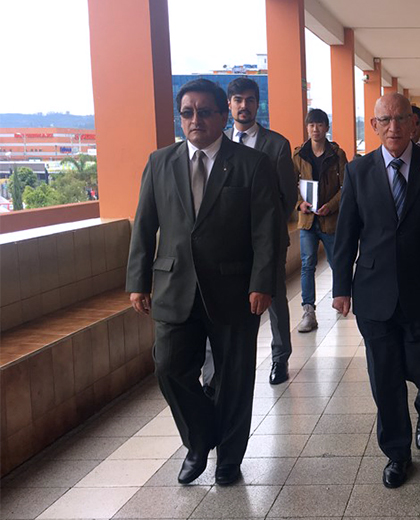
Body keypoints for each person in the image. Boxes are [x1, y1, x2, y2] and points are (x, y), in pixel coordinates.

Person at [126, 79, 278, 487]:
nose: (196, 120)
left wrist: (262, 282)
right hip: (175, 288)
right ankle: (199, 440)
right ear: (181, 117)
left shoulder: (250, 164)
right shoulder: (160, 162)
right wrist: (137, 281)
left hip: (235, 290)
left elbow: (268, 230)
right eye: (188, 112)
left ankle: (229, 458)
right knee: (169, 367)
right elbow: (144, 225)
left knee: (233, 377)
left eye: (205, 111)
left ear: (223, 115)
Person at [332, 93, 420, 489]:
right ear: (373, 126)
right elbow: (347, 233)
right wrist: (341, 287)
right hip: (374, 292)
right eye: (384, 120)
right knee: (384, 376)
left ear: (413, 124)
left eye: (400, 119)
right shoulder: (359, 171)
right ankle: (397, 452)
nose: (393, 127)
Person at [200, 77, 297, 390]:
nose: (244, 106)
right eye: (238, 99)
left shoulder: (277, 145)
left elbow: (286, 198)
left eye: (251, 100)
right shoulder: (218, 142)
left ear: (258, 104)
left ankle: (280, 355)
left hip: (265, 239)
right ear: (229, 105)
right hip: (225, 246)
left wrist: (265, 233)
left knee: (275, 294)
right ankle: (215, 368)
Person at [292, 108, 348, 334]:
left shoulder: (337, 154)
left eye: (319, 125)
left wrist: (331, 206)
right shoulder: (298, 155)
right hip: (307, 220)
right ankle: (308, 311)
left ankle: (341, 298)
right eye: (311, 125)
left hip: (330, 219)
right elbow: (290, 185)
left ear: (327, 127)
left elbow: (346, 186)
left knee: (337, 262)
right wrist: (299, 204)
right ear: (307, 128)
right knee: (307, 264)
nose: (315, 129)